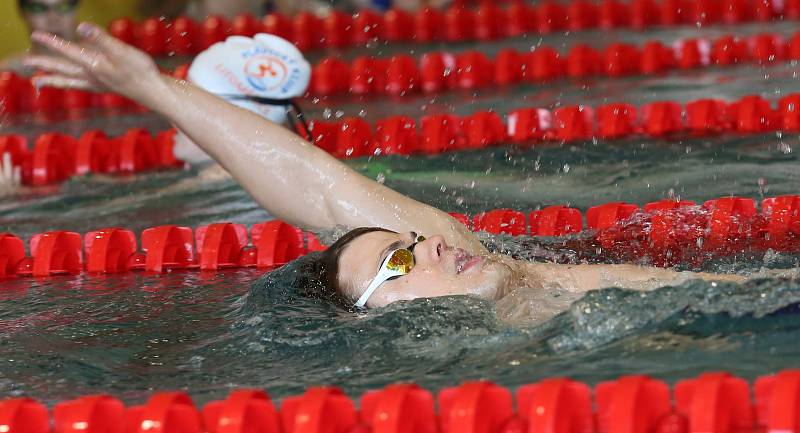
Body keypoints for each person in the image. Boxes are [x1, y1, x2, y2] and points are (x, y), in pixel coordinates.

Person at [24, 23, 749, 319]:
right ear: (377, 316)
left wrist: (154, 88)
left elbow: (320, 189)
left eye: (408, 238)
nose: (426, 242)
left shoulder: (504, 269)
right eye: (399, 258)